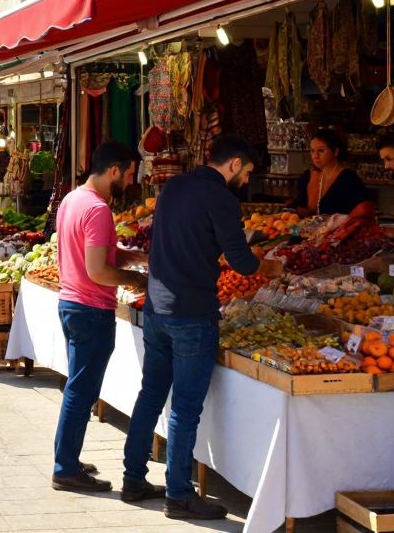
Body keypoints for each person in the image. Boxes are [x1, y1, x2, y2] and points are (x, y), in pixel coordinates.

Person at [122, 135, 261, 520]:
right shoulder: (222, 199)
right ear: (233, 164)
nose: (246, 180)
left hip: (157, 309)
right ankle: (179, 494)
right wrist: (269, 263)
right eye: (246, 172)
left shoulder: (173, 187)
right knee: (184, 409)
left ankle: (133, 479)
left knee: (150, 395)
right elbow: (243, 262)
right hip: (191, 314)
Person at [50, 142, 151, 495]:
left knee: (79, 388)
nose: (130, 180)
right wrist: (135, 279)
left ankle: (68, 459)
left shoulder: (72, 199)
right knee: (81, 391)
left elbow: (92, 253)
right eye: (128, 173)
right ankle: (65, 469)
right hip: (91, 308)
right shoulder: (97, 210)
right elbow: (97, 271)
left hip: (71, 303)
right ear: (113, 171)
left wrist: (130, 256)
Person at [294, 129, 372, 217]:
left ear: (335, 151)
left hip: (341, 229)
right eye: (312, 151)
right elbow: (300, 208)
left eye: (321, 151)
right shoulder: (307, 176)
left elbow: (363, 210)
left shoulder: (348, 179)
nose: (315, 156)